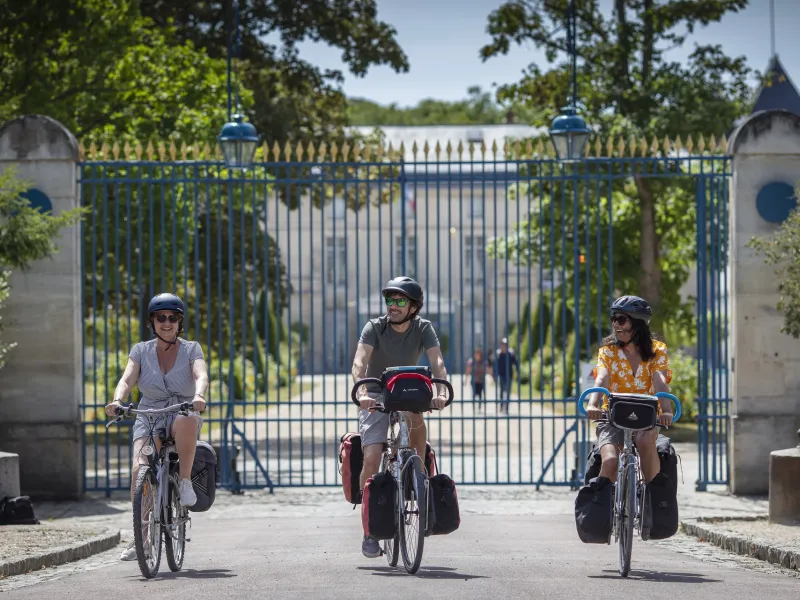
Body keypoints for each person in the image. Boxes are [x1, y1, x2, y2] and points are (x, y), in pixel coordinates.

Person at [351, 276, 450, 559]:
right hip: (376, 394)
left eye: (399, 301)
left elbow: (437, 362)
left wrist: (441, 390)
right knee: (372, 456)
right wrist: (362, 392)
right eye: (389, 300)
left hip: (407, 390)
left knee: (417, 430)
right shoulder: (374, 327)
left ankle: (418, 482)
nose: (392, 305)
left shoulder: (423, 328)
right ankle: (370, 528)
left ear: (413, 307)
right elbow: (359, 362)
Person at [104, 293, 209, 561]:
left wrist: (198, 395)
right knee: (139, 469)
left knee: (186, 419)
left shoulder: (191, 349)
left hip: (182, 409)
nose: (167, 323)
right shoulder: (140, 351)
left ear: (179, 322)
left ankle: (184, 482)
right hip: (149, 413)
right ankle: (142, 538)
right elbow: (127, 379)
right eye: (161, 317)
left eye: (172, 318)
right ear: (152, 321)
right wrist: (117, 400)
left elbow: (201, 374)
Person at [585, 295, 674, 484]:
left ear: (638, 323)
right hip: (612, 416)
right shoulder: (608, 351)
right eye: (613, 319)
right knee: (610, 461)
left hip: (646, 416)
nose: (615, 324)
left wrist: (666, 410)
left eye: (621, 319)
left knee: (645, 442)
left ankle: (652, 494)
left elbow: (659, 380)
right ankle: (605, 501)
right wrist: (593, 404)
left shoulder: (657, 351)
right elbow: (602, 378)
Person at [493, 337, 518, 414]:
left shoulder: (510, 354)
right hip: (501, 376)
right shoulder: (499, 354)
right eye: (503, 344)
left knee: (508, 392)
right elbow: (495, 365)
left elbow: (515, 363)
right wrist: (494, 375)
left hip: (509, 376)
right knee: (501, 392)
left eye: (505, 345)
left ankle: (506, 408)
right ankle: (501, 407)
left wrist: (518, 372)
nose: (504, 346)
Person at [465, 347, 492, 412]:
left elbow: (488, 370)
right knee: (474, 394)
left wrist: (491, 377)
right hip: (474, 381)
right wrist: (466, 380)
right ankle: (474, 406)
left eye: (478, 354)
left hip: (481, 381)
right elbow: (468, 371)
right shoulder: (471, 361)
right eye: (476, 354)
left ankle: (479, 407)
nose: (477, 355)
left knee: (480, 394)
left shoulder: (483, 362)